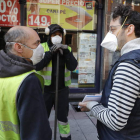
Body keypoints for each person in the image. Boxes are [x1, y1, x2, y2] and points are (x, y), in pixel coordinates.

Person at [79, 4, 140, 140]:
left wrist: (91, 105)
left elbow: (115, 121)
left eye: (113, 29)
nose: (109, 35)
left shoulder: (129, 65)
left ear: (129, 29)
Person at [0, 26, 52, 140]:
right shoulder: (28, 81)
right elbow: (37, 133)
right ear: (18, 47)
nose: (40, 47)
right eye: (36, 43)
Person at [35, 24, 78, 140]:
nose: (57, 37)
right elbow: (37, 66)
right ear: (49, 35)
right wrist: (50, 54)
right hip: (46, 91)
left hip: (62, 90)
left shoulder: (67, 49)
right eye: (54, 34)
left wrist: (66, 53)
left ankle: (65, 138)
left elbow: (73, 66)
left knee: (63, 119)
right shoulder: (42, 47)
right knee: (42, 118)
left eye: (59, 34)